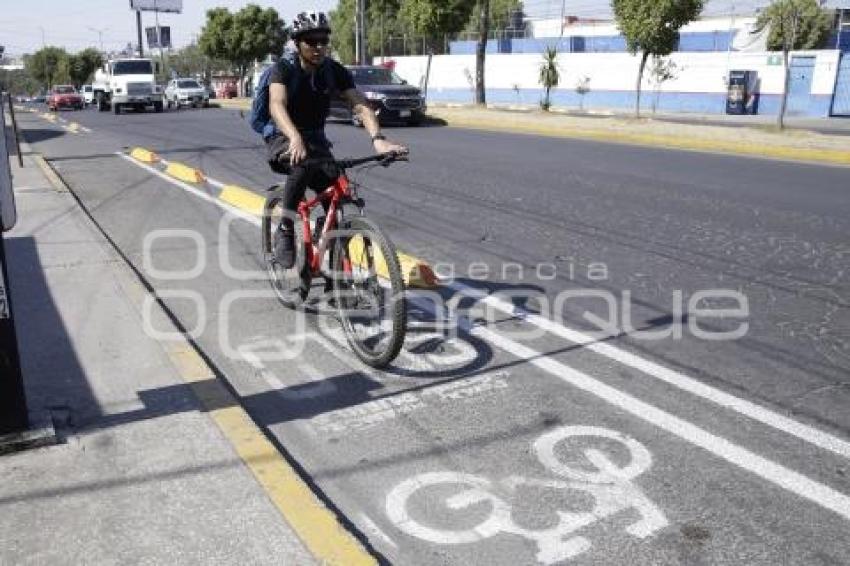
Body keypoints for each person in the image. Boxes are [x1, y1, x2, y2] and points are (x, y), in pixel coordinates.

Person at [267, 11, 407, 268]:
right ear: (298, 44)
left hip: (315, 139)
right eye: (311, 41)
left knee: (339, 193)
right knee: (303, 164)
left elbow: (360, 104)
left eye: (323, 41)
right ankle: (285, 228)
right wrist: (294, 136)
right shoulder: (283, 69)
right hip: (282, 134)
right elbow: (277, 105)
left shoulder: (334, 71)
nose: (319, 47)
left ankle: (334, 278)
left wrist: (378, 139)